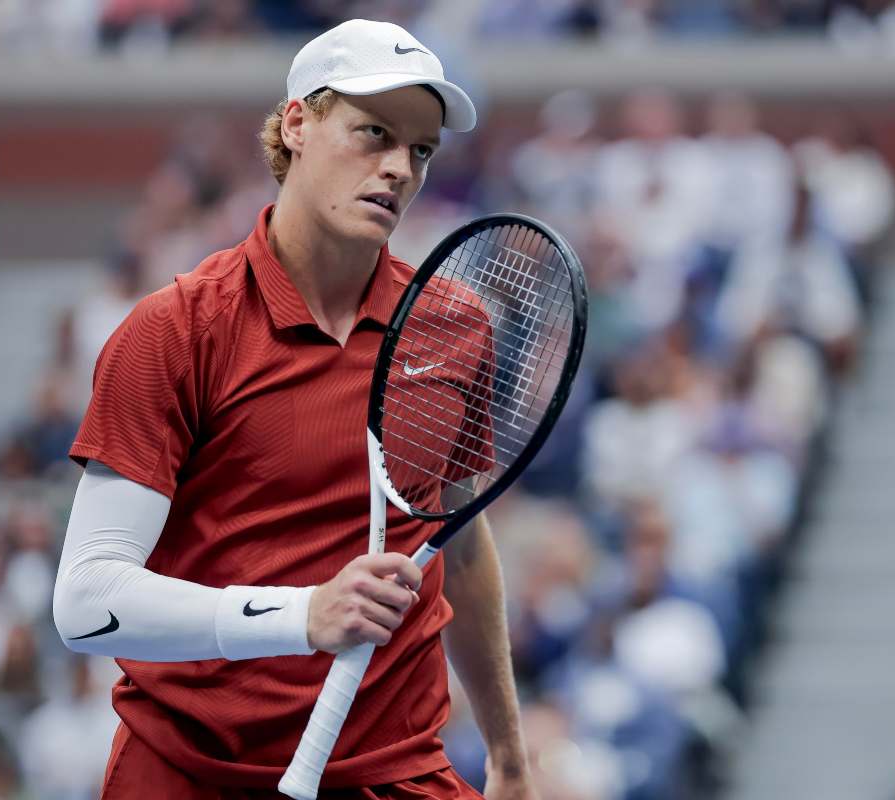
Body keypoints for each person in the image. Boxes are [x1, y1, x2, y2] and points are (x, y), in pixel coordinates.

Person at [52, 19, 535, 800]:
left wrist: (509, 753)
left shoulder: (453, 325)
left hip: (396, 770)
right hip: (188, 772)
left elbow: (461, 541)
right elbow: (86, 601)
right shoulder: (174, 332)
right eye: (373, 132)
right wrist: (302, 614)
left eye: (419, 150)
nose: (397, 170)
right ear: (298, 124)